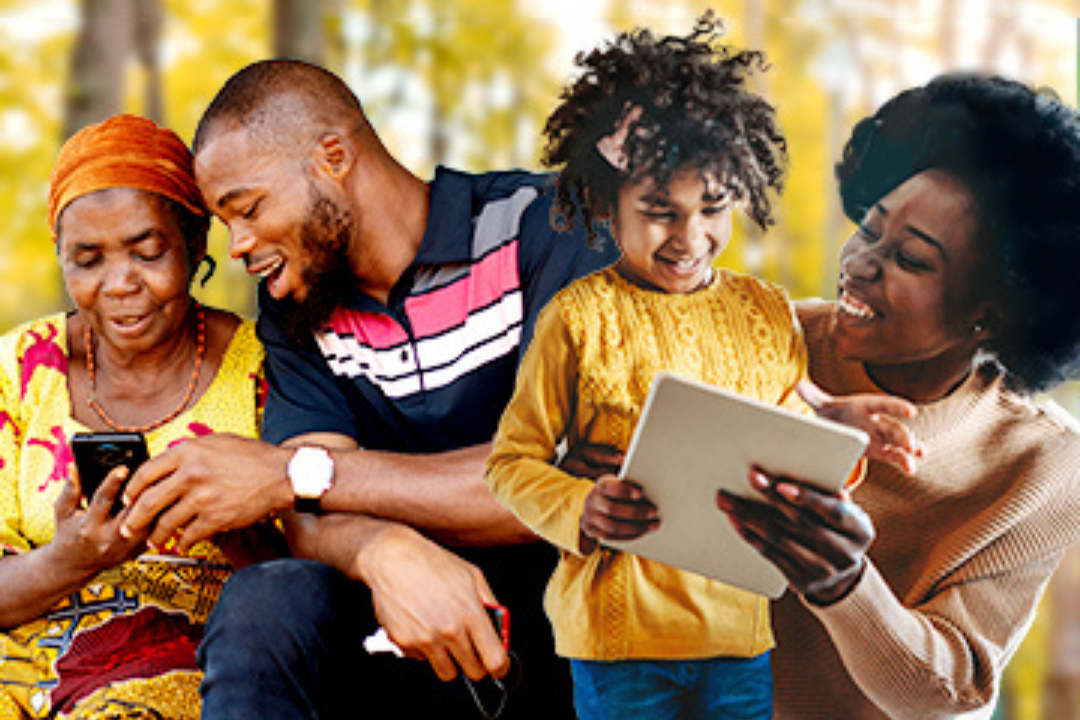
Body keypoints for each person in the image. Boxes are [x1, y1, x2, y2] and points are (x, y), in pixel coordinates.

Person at [115, 59, 618, 718]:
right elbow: (309, 515)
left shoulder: (551, 224)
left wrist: (294, 471)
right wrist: (387, 552)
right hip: (402, 630)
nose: (237, 245)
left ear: (333, 158)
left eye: (249, 208)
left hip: (576, 626)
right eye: (225, 221)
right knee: (266, 601)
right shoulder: (296, 309)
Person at [484, 15, 920, 720]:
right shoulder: (575, 318)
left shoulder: (763, 309)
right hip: (617, 640)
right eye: (660, 211)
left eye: (713, 208)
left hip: (738, 634)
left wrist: (839, 423)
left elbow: (785, 420)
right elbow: (511, 462)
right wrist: (578, 505)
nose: (691, 238)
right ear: (608, 202)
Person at [643, 73, 1080, 719]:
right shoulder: (758, 335)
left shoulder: (1040, 461)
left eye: (911, 259)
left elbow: (946, 695)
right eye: (869, 228)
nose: (859, 263)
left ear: (991, 315)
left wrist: (845, 585)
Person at [0, 115, 274, 720]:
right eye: (88, 261)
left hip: (185, 669)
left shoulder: (266, 370)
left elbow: (305, 590)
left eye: (149, 253)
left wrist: (226, 521)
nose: (121, 284)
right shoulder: (17, 369)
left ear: (196, 244)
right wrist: (68, 560)